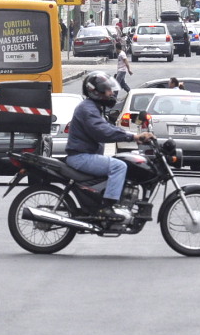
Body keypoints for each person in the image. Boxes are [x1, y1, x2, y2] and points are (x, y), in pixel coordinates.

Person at [65, 71, 154, 222]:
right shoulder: (88, 109)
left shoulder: (94, 107)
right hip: (81, 156)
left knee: (121, 162)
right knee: (119, 166)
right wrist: (133, 137)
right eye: (107, 90)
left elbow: (109, 127)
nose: (111, 93)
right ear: (95, 91)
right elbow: (103, 131)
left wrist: (134, 136)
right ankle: (106, 208)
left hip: (86, 155)